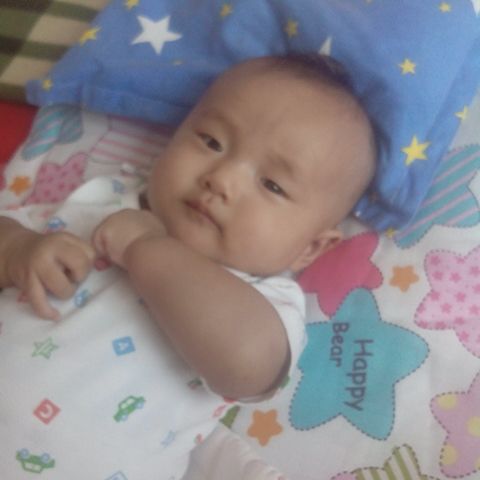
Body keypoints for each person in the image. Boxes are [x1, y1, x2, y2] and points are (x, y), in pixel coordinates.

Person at [0, 54, 376, 477]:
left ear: (310, 248)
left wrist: (145, 247)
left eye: (272, 184)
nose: (222, 178)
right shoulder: (99, 202)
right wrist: (17, 249)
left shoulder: (265, 302)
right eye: (211, 142)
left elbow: (246, 365)